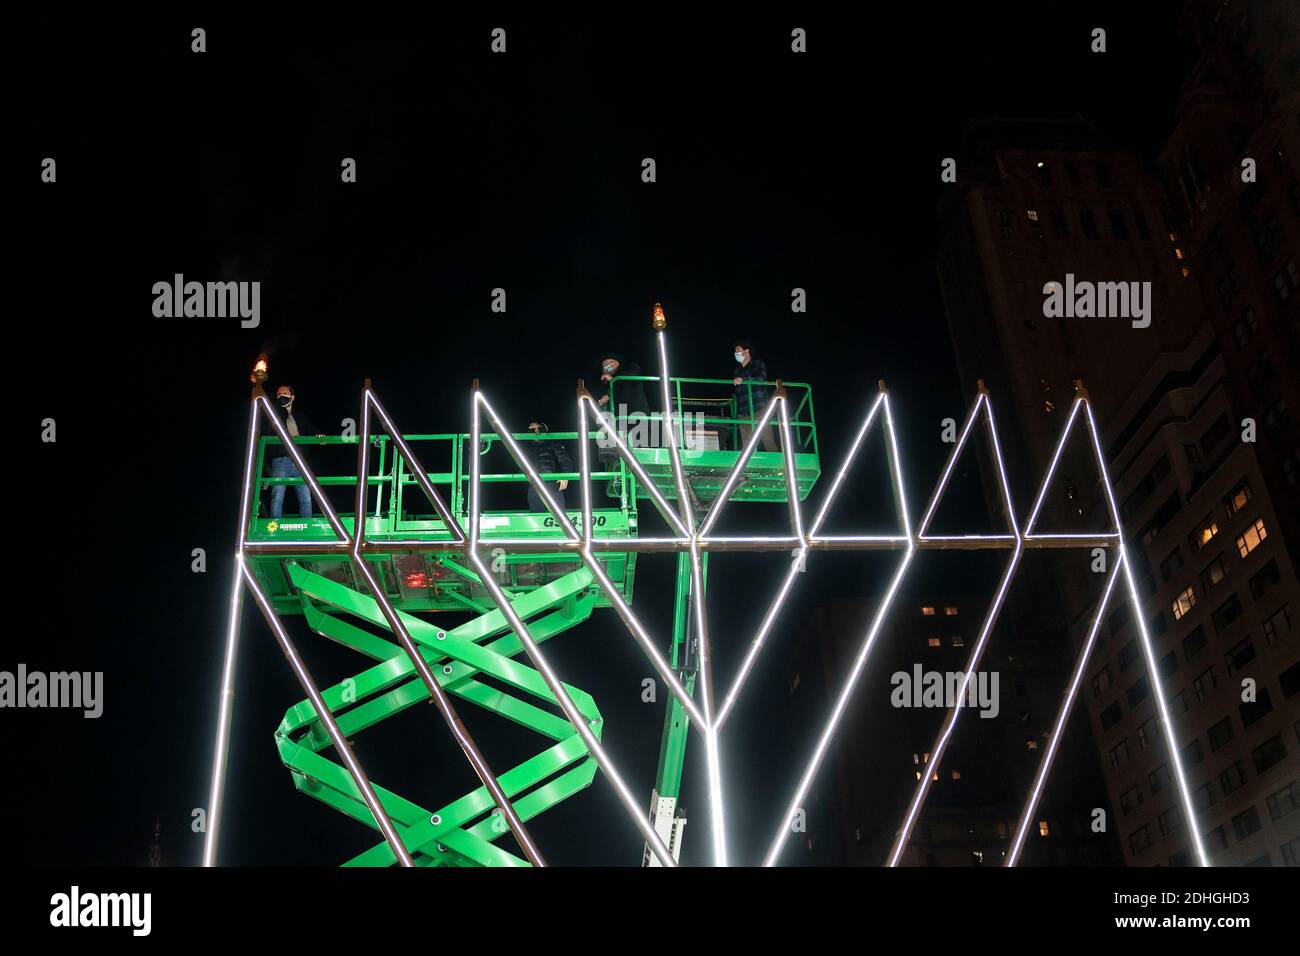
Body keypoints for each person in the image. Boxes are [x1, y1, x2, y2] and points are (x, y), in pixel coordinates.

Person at [266, 384, 324, 518]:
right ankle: (275, 528)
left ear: (292, 397)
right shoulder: (273, 416)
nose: (281, 395)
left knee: (306, 497)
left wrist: (320, 437)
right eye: (278, 393)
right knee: (277, 494)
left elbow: (313, 431)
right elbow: (266, 440)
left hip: (300, 462)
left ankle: (307, 527)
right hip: (281, 460)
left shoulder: (300, 416)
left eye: (284, 392)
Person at [597, 353, 652, 447]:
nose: (606, 367)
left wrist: (614, 379)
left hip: (636, 419)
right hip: (619, 422)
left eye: (608, 364)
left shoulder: (630, 368)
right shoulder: (609, 383)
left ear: (617, 363)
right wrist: (603, 400)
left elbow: (632, 375)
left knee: (640, 448)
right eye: (604, 365)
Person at [732, 340, 778, 452]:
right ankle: (748, 466)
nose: (735, 352)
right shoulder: (737, 371)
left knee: (767, 439)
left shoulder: (758, 364)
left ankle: (777, 465)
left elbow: (761, 379)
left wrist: (744, 380)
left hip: (759, 407)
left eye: (738, 349)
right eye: (735, 351)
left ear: (746, 351)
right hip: (743, 411)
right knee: (746, 445)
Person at [526, 421, 574, 512]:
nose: (536, 431)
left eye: (539, 428)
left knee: (558, 517)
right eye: (532, 429)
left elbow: (565, 459)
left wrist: (565, 475)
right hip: (534, 485)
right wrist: (525, 474)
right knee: (537, 519)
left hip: (553, 484)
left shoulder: (552, 442)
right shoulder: (526, 446)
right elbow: (519, 464)